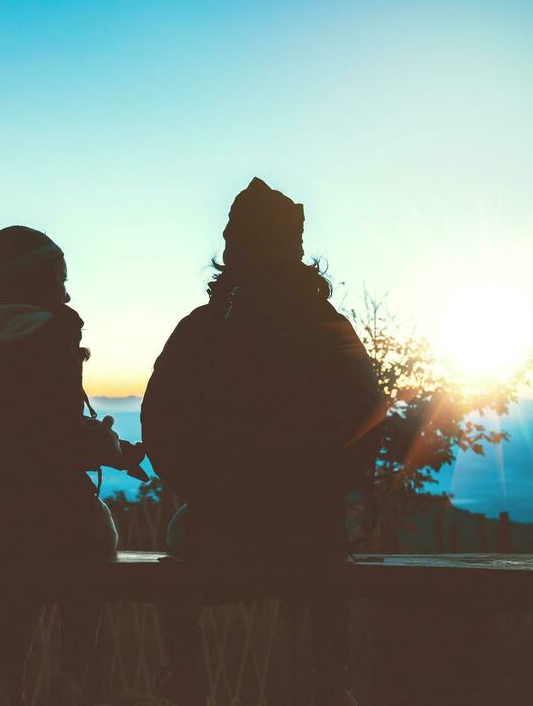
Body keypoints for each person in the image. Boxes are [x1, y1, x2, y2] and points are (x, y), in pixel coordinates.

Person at [141, 178, 386, 706]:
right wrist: (331, 488)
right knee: (327, 551)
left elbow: (159, 422)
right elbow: (370, 420)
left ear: (233, 250)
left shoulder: (203, 328)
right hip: (308, 529)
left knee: (178, 543)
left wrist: (207, 491)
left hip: (217, 527)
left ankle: (183, 680)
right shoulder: (330, 326)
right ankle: (330, 682)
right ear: (294, 251)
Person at [0, 225, 145, 706]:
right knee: (92, 536)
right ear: (37, 282)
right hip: (30, 525)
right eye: (60, 279)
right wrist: (115, 451)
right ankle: (72, 673)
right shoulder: (49, 332)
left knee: (28, 533)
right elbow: (55, 437)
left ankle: (6, 673)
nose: (67, 291)